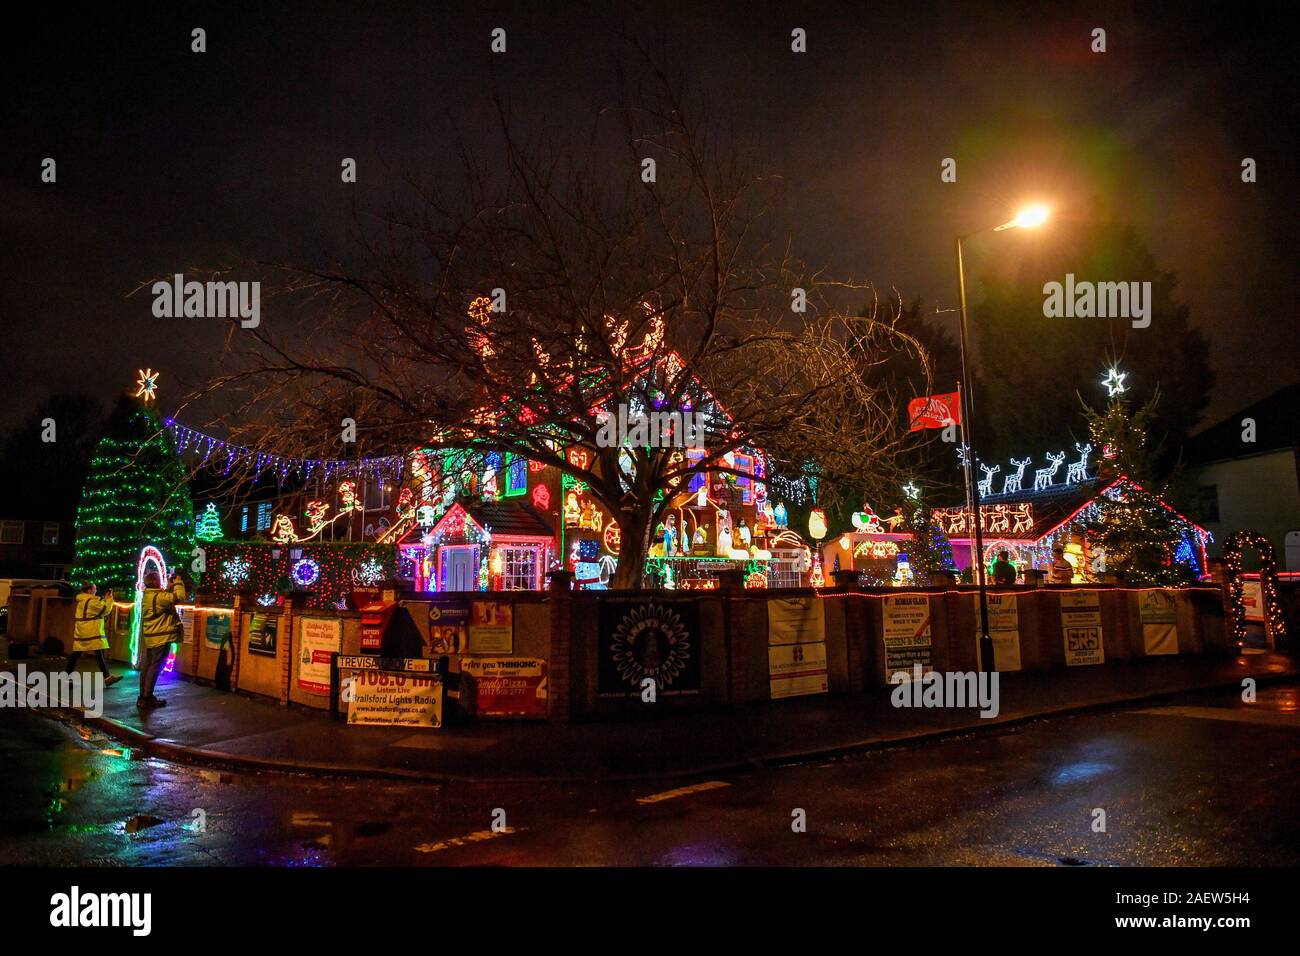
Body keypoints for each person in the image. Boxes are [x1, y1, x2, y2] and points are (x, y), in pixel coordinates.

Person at [137, 569, 187, 709]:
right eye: (160, 579)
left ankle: (143, 696)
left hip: (151, 636)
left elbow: (164, 597)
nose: (162, 580)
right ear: (155, 582)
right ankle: (147, 697)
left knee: (147, 666)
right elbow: (180, 597)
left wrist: (169, 588)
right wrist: (178, 583)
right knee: (155, 666)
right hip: (161, 636)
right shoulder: (159, 597)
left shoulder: (149, 595)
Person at [69, 582, 122, 686]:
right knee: (98, 654)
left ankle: (68, 678)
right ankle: (107, 678)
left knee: (78, 654)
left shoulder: (82, 600)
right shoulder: (90, 601)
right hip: (92, 631)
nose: (95, 590)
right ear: (88, 590)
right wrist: (109, 599)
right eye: (94, 588)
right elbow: (105, 610)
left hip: (82, 630)